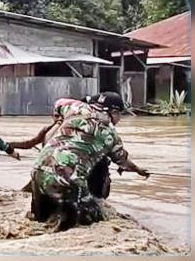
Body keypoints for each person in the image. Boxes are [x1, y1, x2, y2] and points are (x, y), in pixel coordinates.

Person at [30, 92, 150, 231]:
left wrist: (60, 121)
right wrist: (139, 170)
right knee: (95, 223)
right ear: (114, 112)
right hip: (69, 179)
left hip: (38, 171)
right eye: (120, 114)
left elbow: (58, 103)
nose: (120, 119)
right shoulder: (110, 135)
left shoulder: (75, 107)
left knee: (37, 222)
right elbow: (123, 161)